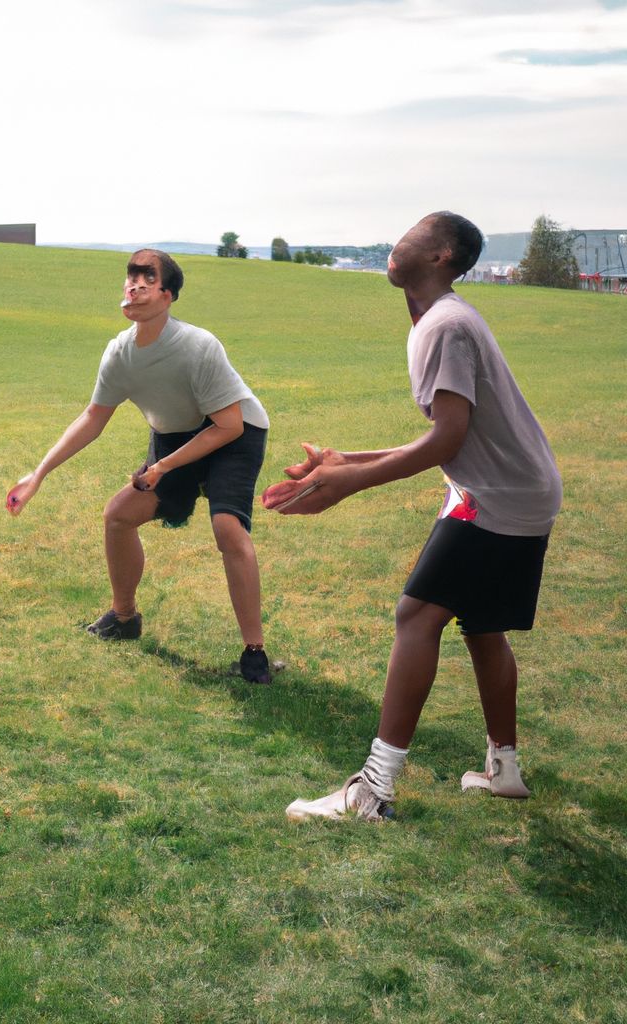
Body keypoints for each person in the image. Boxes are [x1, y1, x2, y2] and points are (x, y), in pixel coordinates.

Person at [263, 211, 561, 820]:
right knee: (480, 624)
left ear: (443, 254)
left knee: (417, 615)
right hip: (516, 488)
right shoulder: (440, 321)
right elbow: (447, 434)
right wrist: (348, 459)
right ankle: (503, 769)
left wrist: (350, 483)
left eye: (413, 235)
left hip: (497, 495)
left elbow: (446, 440)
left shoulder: (447, 325)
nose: (397, 243)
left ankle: (372, 792)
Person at [7, 249, 274, 682]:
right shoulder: (120, 354)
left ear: (167, 296)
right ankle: (124, 618)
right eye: (130, 278)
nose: (134, 285)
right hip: (176, 435)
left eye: (147, 278)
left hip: (234, 433)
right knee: (118, 515)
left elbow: (228, 427)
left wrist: (162, 467)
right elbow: (93, 418)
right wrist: (38, 474)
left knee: (228, 527)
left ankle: (254, 652)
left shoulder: (197, 346)